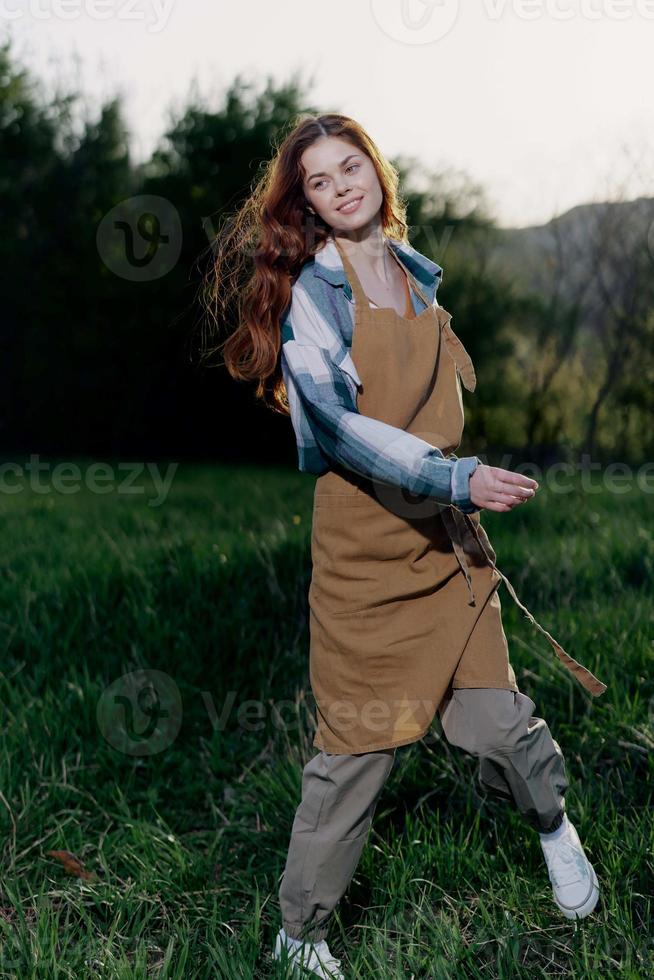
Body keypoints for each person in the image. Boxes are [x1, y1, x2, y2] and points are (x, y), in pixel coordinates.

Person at [201, 113, 606, 980]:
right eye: (320, 179)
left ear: (377, 174)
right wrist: (456, 478)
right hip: (365, 558)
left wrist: (453, 493)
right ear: (303, 202)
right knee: (356, 753)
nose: (343, 185)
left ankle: (552, 827)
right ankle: (299, 932)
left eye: (353, 166)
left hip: (446, 552)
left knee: (501, 728)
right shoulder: (315, 295)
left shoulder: (418, 276)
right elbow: (342, 432)